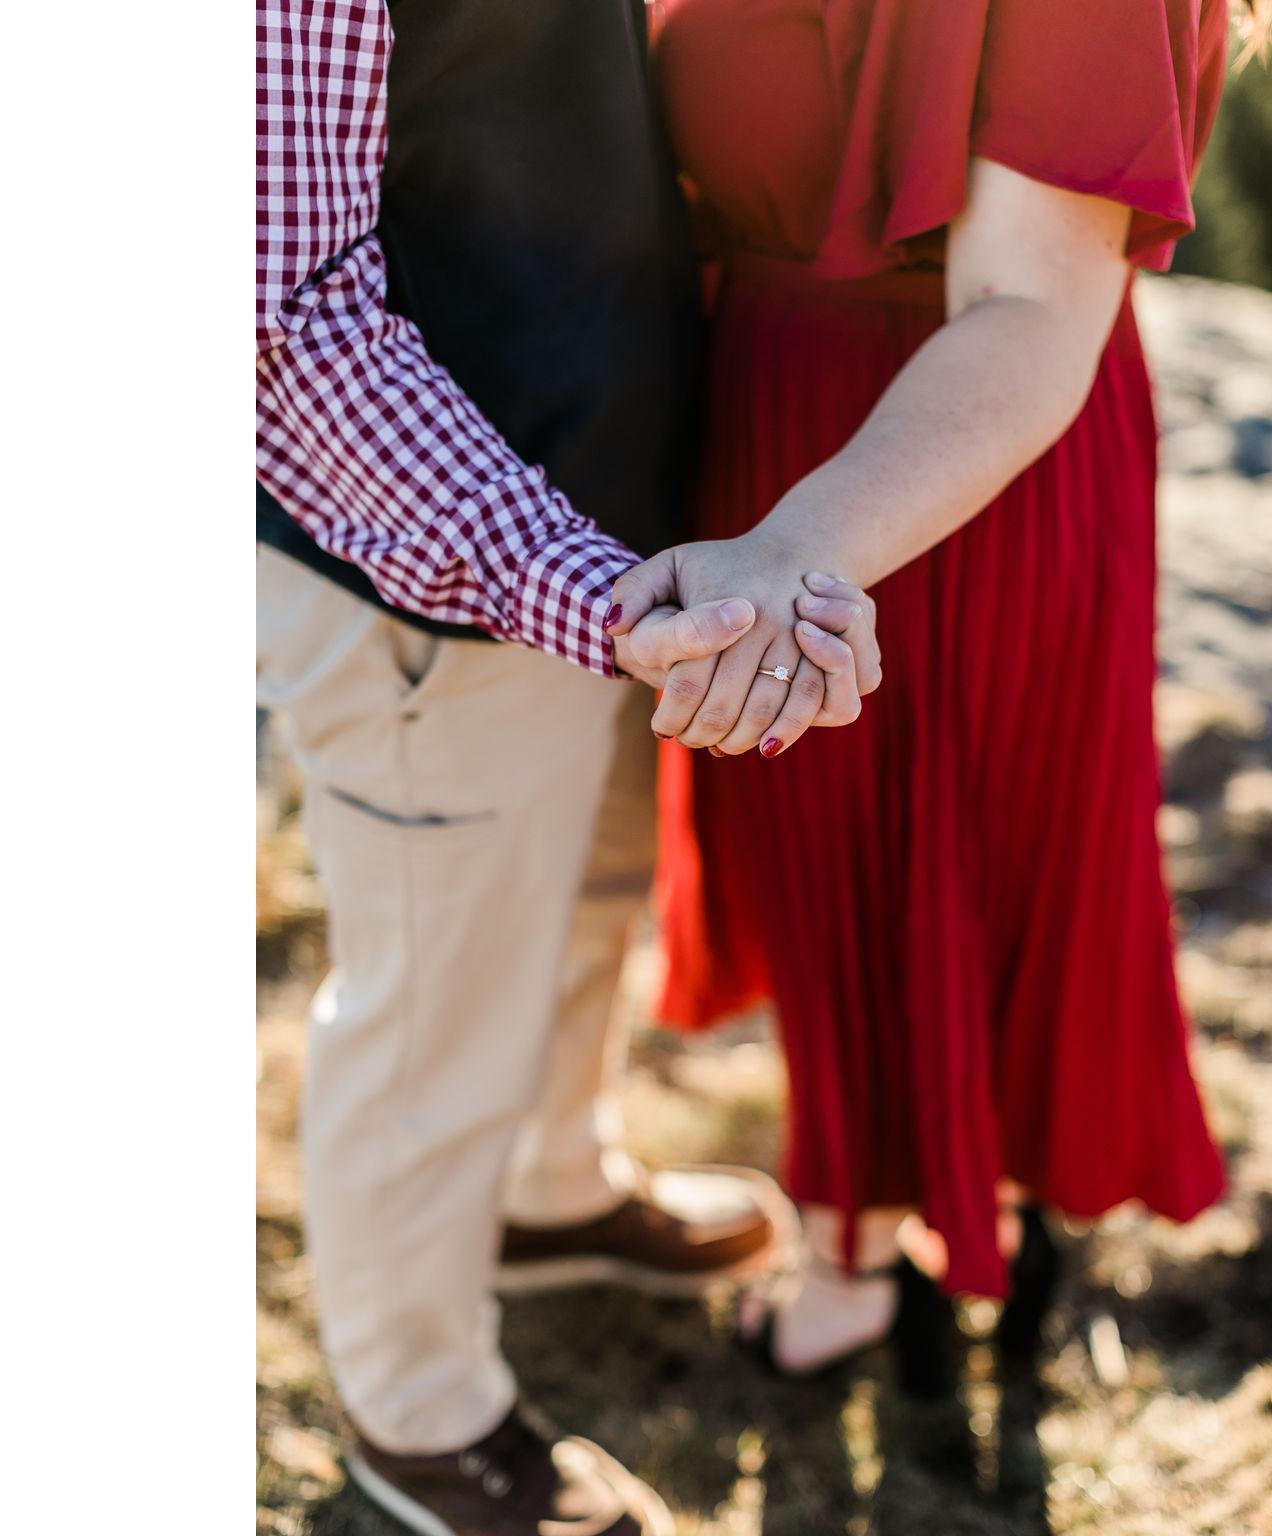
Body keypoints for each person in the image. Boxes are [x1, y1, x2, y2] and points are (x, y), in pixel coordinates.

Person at [255, 3, 879, 1534]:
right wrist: (581, 585)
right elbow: (281, 320)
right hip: (430, 575)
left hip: (588, 525)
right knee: (434, 1005)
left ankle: (549, 1190)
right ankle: (420, 1414)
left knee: (585, 882)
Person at [607, 0, 1237, 1378]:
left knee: (972, 844)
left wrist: (794, 548)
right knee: (823, 853)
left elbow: (1027, 306)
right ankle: (885, 1214)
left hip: (952, 456)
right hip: (768, 415)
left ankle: (904, 1240)